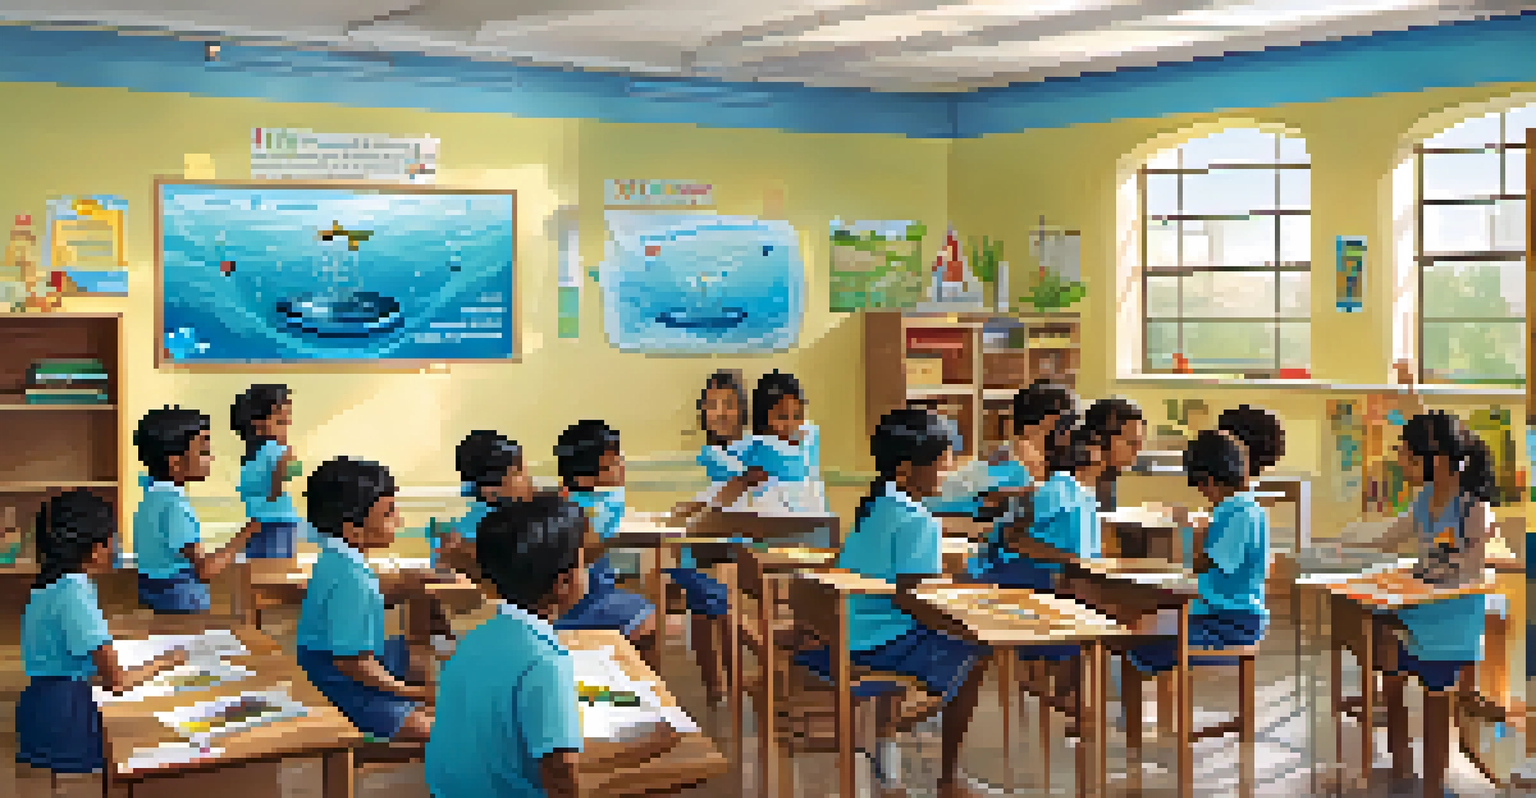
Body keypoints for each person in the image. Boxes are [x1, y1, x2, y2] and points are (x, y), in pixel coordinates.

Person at [794, 408, 988, 798]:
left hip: (849, 627)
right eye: (940, 465)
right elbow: (915, 598)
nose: (947, 473)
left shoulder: (877, 504)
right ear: (905, 470)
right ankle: (947, 776)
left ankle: (886, 747)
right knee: (977, 650)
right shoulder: (918, 520)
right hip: (875, 641)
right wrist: (966, 615)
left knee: (953, 634)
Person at [1353, 411, 1494, 795]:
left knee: (1435, 701)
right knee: (1387, 665)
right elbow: (1390, 536)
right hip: (1417, 611)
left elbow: (1466, 574)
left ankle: (1433, 785)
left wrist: (1419, 582)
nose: (1404, 464)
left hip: (1450, 621)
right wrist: (1336, 544)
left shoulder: (1473, 509)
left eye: (1410, 456)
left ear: (1441, 459)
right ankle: (1401, 771)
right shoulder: (1425, 497)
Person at [426, 495, 587, 798]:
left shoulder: (476, 637)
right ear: (564, 583)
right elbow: (560, 770)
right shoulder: (544, 661)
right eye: (583, 561)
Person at [16, 490, 186, 778]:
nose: (115, 548)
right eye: (112, 540)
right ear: (95, 549)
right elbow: (116, 680)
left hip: (40, 709)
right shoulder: (75, 591)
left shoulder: (50, 583)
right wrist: (163, 663)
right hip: (68, 721)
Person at [295, 457, 434, 743]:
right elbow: (352, 665)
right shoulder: (352, 578)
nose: (399, 521)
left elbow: (360, 604)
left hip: (333, 667)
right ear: (352, 530)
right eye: (389, 513)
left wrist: (407, 585)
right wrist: (413, 693)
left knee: (421, 657)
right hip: (341, 686)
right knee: (436, 729)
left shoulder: (339, 559)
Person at [1125, 429, 1269, 675]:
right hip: (1220, 617)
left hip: (1231, 625)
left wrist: (1187, 528)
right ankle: (1156, 709)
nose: (1205, 495)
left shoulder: (1240, 513)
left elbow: (1203, 563)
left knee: (1140, 643)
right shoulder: (1241, 509)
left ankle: (1153, 712)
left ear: (1210, 481)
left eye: (1202, 487)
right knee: (1144, 630)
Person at [667, 370, 765, 703]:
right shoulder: (713, 452)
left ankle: (744, 672)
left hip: (749, 541)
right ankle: (716, 688)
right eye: (712, 405)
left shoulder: (757, 448)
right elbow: (719, 495)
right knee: (694, 580)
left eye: (729, 404)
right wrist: (694, 506)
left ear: (743, 409)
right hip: (717, 538)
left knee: (714, 592)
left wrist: (704, 509)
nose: (720, 413)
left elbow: (740, 489)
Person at [552, 420, 659, 669]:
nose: (621, 466)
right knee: (650, 618)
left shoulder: (585, 496)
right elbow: (595, 541)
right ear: (584, 477)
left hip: (590, 593)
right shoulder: (588, 508)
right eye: (611, 464)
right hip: (581, 603)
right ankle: (648, 687)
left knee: (641, 607)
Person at [133, 406, 256, 613]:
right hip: (181, 603)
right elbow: (206, 569)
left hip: (153, 598)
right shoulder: (175, 507)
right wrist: (246, 533)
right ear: (176, 463)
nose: (211, 458)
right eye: (204, 451)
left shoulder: (150, 499)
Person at [737, 370, 828, 519]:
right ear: (763, 420)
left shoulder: (808, 440)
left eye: (797, 416)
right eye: (782, 417)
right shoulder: (755, 449)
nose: (791, 425)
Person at [231, 384, 303, 559]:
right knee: (276, 569)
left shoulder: (251, 456)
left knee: (258, 565)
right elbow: (292, 474)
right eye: (280, 422)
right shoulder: (275, 450)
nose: (286, 427)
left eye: (287, 421)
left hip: (259, 521)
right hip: (278, 522)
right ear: (258, 425)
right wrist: (288, 453)